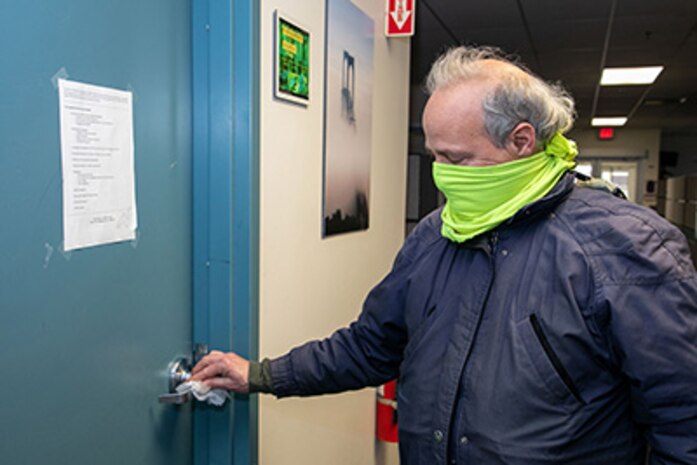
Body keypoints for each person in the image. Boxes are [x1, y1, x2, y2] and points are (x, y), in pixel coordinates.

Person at [191, 46, 697, 464]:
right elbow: (369, 347)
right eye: (435, 156)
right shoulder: (436, 234)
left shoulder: (626, 246)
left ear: (521, 141)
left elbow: (684, 421)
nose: (441, 174)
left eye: (456, 159)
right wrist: (261, 374)